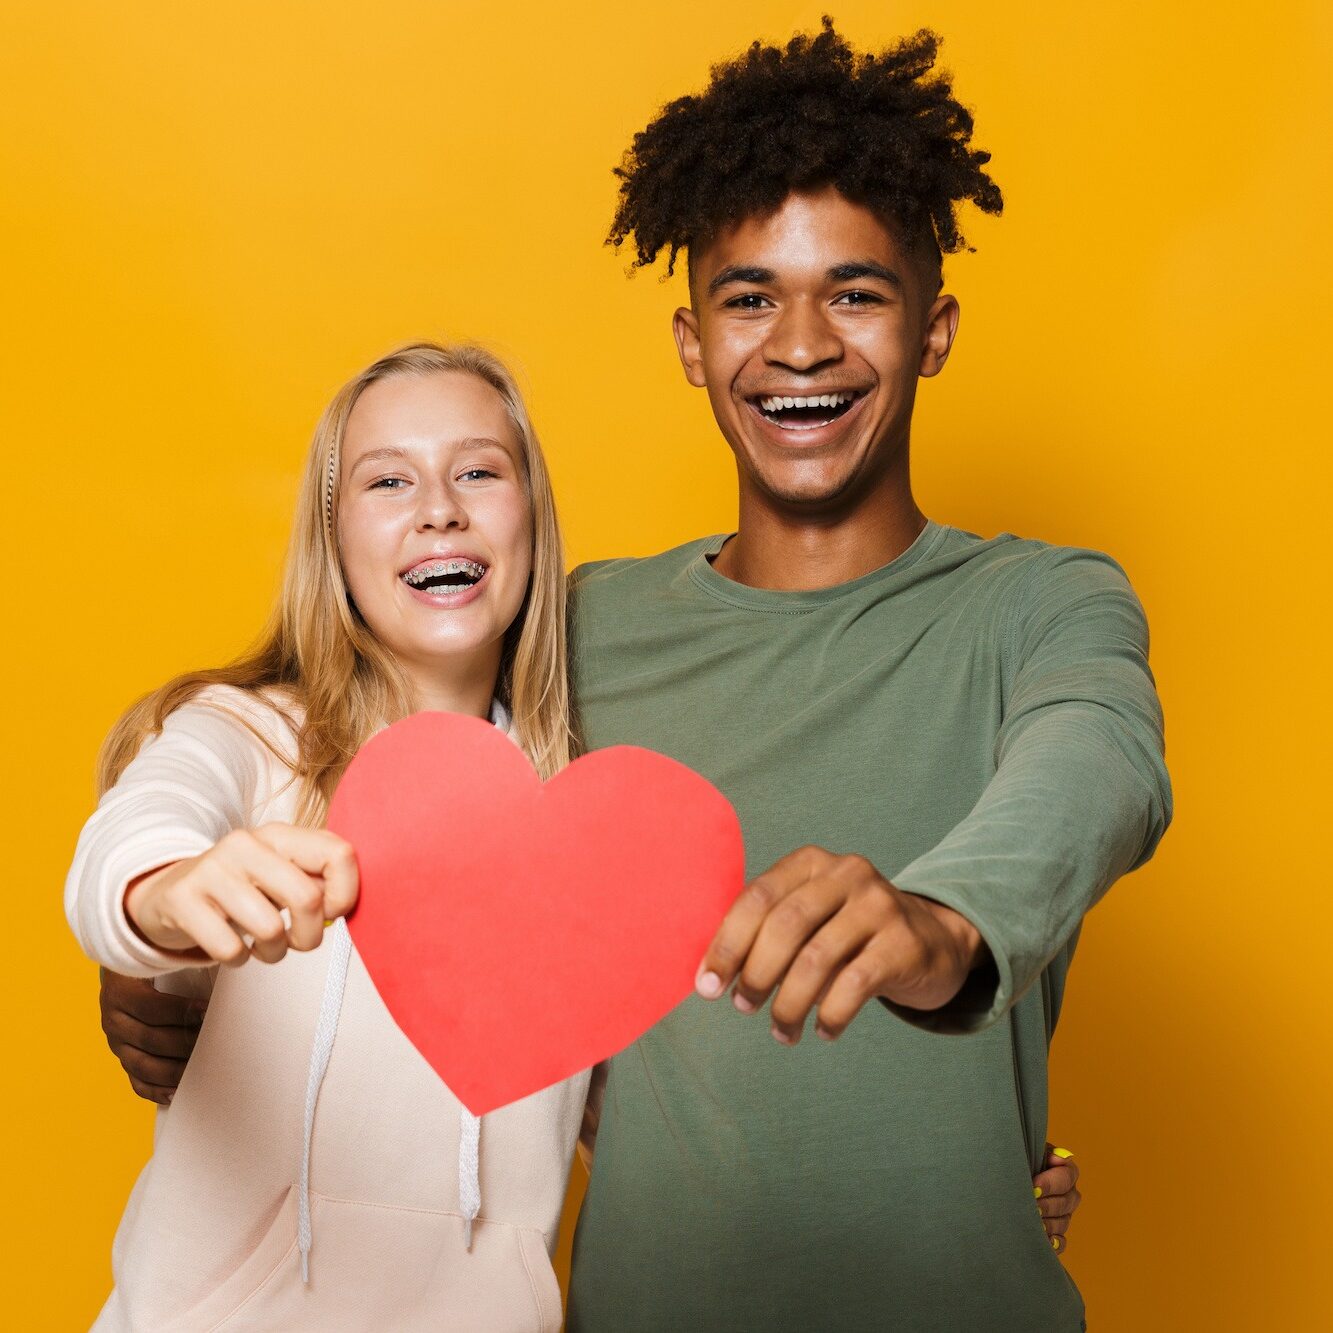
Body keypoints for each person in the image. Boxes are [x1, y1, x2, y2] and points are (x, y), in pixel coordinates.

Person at [561, 21, 1168, 1332]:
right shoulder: (575, 629)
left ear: (931, 327)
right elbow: (384, 805)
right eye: (747, 296)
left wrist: (942, 923)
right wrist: (180, 975)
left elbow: (1097, 760)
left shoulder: (1040, 601)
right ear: (688, 341)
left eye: (854, 292)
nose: (798, 344)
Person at [66, 343, 585, 1331]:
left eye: (479, 469)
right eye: (388, 479)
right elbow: (131, 840)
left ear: (531, 519)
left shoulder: (575, 818)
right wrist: (169, 891)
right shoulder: (246, 738)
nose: (439, 506)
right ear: (333, 538)